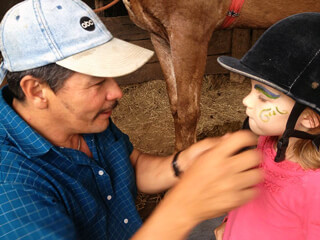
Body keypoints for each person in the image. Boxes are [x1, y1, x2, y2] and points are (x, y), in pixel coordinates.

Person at [0, 0, 262, 239]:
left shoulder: (83, 120)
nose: (116, 92)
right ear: (36, 91)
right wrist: (183, 209)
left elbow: (130, 165)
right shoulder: (11, 188)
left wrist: (181, 164)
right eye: (98, 82)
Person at [215, 12, 320, 240]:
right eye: (251, 89)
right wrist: (229, 222)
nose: (246, 101)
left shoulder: (315, 188)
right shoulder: (266, 142)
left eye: (263, 98)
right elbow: (249, 197)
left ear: (310, 119)